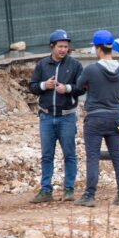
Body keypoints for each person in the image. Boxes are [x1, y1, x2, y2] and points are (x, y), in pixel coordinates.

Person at [28, 29, 85, 203]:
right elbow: (32, 86)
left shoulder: (75, 65)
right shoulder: (42, 65)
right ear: (52, 46)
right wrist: (45, 85)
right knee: (46, 155)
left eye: (66, 47)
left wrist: (66, 88)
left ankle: (69, 190)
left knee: (69, 154)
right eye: (60, 46)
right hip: (46, 117)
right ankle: (46, 190)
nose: (63, 50)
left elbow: (82, 87)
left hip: (66, 117)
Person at [75, 30, 119, 207]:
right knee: (118, 157)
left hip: (95, 118)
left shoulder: (91, 69)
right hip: (114, 117)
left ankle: (89, 196)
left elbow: (78, 86)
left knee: (93, 157)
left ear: (98, 48)